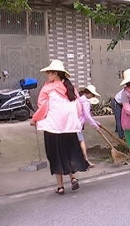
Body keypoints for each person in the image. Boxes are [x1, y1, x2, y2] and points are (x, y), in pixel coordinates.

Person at [30, 59, 89, 195]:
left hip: (53, 128)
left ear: (55, 73)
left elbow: (43, 108)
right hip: (69, 128)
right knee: (68, 153)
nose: (47, 75)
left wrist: (34, 119)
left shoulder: (47, 89)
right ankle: (73, 178)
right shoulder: (70, 88)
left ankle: (60, 186)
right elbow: (78, 108)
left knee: (55, 156)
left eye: (49, 73)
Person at [78, 84, 102, 168]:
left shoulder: (80, 99)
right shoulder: (85, 102)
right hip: (77, 125)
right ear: (90, 93)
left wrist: (96, 123)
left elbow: (87, 116)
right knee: (81, 142)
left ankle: (82, 161)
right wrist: (95, 126)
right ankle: (86, 161)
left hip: (74, 124)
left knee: (78, 142)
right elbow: (87, 116)